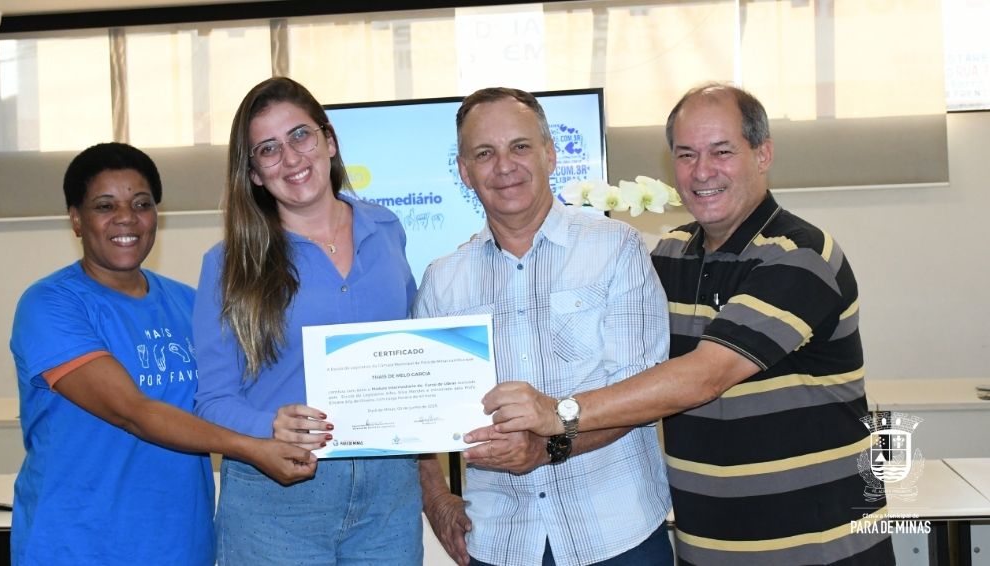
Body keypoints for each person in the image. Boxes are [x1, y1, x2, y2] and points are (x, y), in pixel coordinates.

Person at [477, 84, 896, 565]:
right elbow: (637, 384)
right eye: (686, 154)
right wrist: (549, 444)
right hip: (708, 550)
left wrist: (559, 414)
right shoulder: (670, 255)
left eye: (722, 152)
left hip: (820, 549)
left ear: (763, 154)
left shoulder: (800, 255)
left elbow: (705, 376)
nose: (702, 171)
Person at [9, 142, 317, 566]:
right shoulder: (50, 305)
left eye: (141, 204)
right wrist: (253, 447)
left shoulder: (189, 303)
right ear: (76, 219)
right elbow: (132, 412)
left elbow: (236, 394)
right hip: (78, 545)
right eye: (104, 206)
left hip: (182, 545)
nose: (126, 218)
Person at [414, 87, 673, 566]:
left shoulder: (616, 249)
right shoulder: (443, 282)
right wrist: (435, 496)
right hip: (500, 541)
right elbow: (418, 413)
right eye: (484, 153)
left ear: (550, 155)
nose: (504, 166)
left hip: (618, 535)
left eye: (520, 146)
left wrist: (547, 447)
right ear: (464, 172)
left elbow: (642, 396)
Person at [192, 77, 422, 565]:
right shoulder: (229, 263)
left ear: (329, 141)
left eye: (300, 135)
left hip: (389, 496)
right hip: (277, 500)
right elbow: (211, 400)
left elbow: (412, 348)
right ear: (254, 174)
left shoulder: (387, 230)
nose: (291, 158)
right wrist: (269, 425)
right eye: (268, 149)